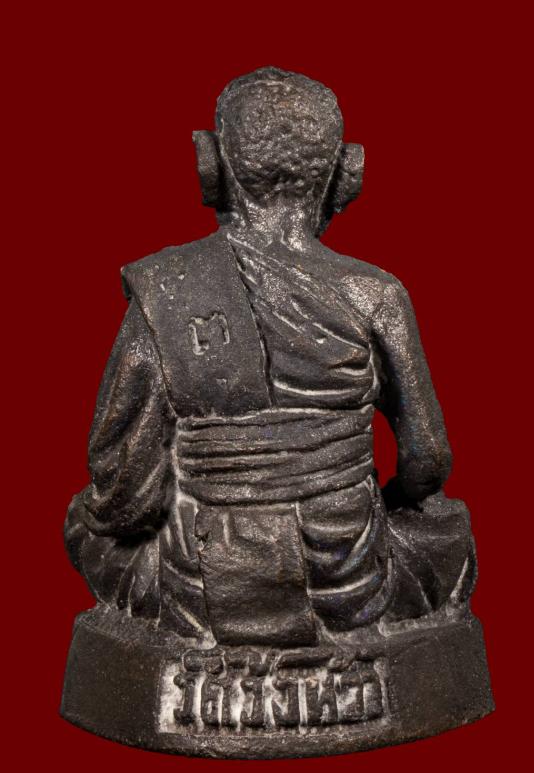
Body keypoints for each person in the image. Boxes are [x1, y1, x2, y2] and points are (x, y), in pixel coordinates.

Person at [65, 67, 475, 647]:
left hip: (198, 584)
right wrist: (376, 502)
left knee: (86, 527)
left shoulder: (169, 289)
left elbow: (123, 481)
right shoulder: (376, 294)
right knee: (446, 530)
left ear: (210, 165)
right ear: (347, 173)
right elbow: (428, 460)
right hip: (350, 578)